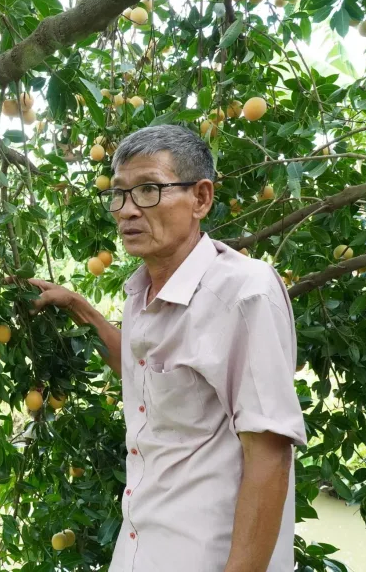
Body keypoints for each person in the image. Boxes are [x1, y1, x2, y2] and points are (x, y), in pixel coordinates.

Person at [26, 125, 306, 571]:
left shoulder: (244, 293)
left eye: (149, 190)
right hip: (140, 545)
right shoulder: (140, 292)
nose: (127, 210)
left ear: (201, 198)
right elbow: (143, 373)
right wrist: (82, 309)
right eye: (118, 194)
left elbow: (270, 453)